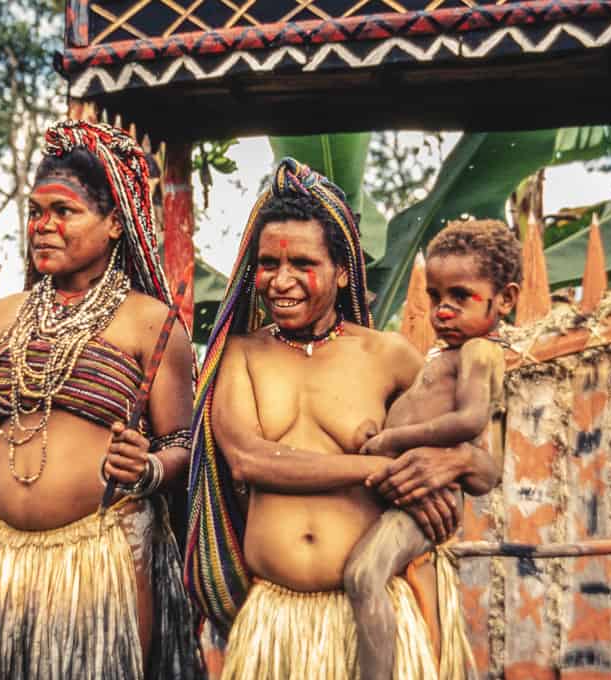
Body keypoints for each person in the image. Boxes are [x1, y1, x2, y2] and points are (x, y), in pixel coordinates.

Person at [185, 159, 499, 680]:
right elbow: (248, 460)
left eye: (302, 264)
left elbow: (476, 465)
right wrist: (377, 469)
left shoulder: (389, 355)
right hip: (274, 624)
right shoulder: (238, 354)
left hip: (372, 619)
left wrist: (443, 467)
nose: (281, 281)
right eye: (267, 264)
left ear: (342, 270)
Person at [0, 120, 203, 680]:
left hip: (98, 561)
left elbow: (183, 446)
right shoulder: (2, 317)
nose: (43, 226)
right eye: (35, 211)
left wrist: (147, 468)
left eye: (64, 211)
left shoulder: (150, 324)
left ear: (115, 224)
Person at [347, 219, 521, 680]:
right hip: (400, 494)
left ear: (504, 299)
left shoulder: (481, 353)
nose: (443, 310)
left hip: (423, 505)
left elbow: (470, 420)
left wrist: (392, 439)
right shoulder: (438, 356)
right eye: (436, 297)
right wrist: (375, 427)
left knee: (364, 577)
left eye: (460, 297)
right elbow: (413, 411)